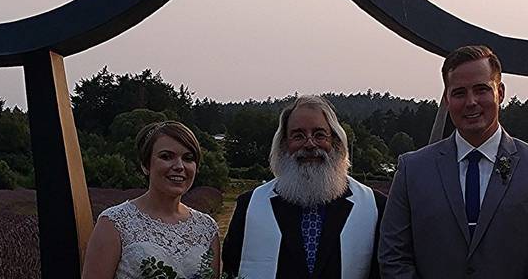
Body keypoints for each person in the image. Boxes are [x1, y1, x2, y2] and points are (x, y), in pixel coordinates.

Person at [379, 45, 528, 279]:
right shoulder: (412, 171)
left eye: (481, 90)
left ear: (500, 92)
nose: (471, 102)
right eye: (459, 93)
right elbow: (393, 258)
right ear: (446, 99)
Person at [222, 95, 387, 279]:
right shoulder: (250, 205)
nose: (309, 144)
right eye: (298, 136)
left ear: (336, 142)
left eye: (319, 135)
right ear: (284, 144)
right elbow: (231, 269)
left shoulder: (374, 206)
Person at [83, 121, 221, 279]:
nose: (179, 166)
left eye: (188, 158)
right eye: (166, 156)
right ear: (145, 165)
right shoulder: (114, 224)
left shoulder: (207, 228)